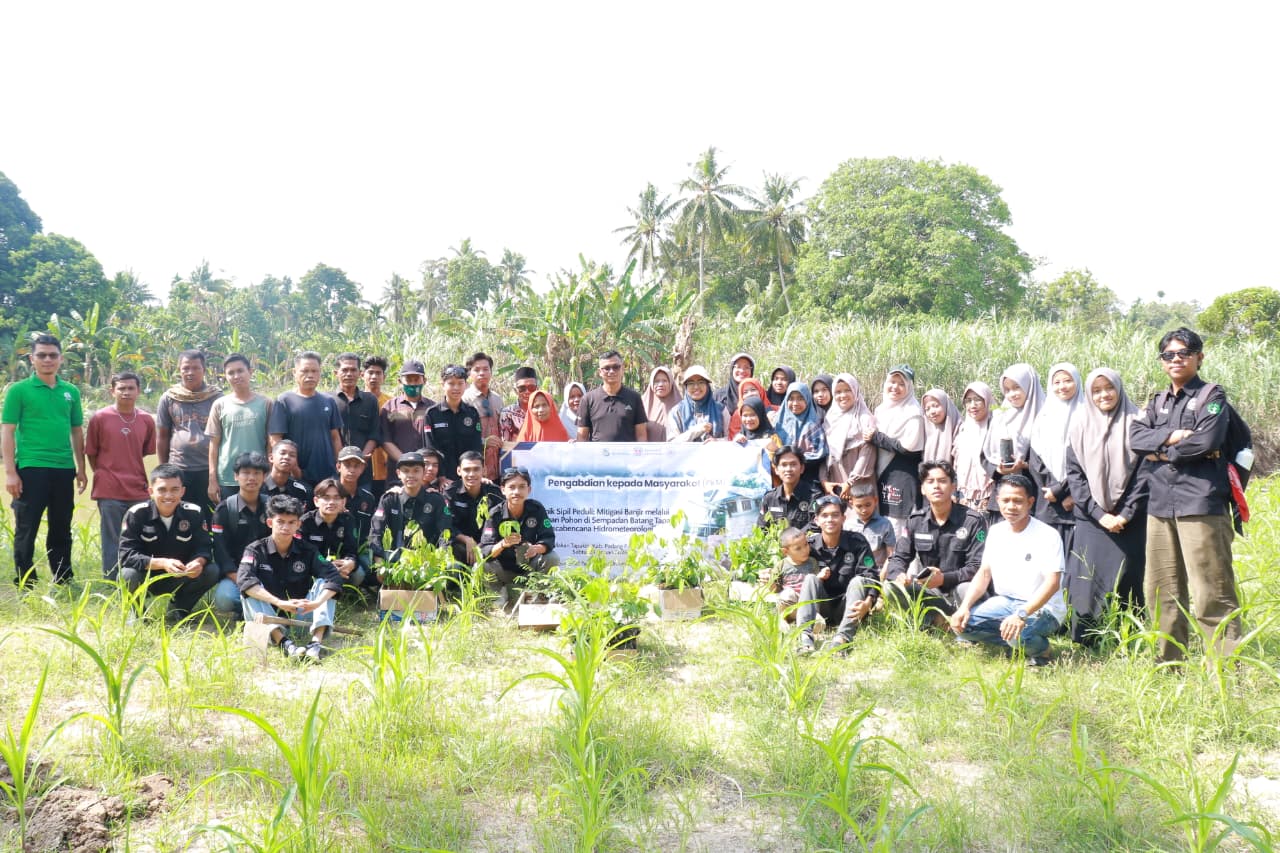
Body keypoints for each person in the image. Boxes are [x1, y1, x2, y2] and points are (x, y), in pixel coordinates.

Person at [1130, 327, 1241, 663]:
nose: (1176, 359)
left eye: (1183, 353)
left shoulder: (1212, 396)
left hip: (1200, 503)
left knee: (1212, 590)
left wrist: (1162, 451)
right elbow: (1135, 438)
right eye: (1169, 355)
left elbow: (1207, 441)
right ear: (1162, 362)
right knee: (1161, 590)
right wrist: (1176, 436)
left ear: (1199, 357)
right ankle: (1169, 664)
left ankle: (1225, 671)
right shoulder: (1156, 402)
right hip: (1161, 505)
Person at [1064, 368, 1148, 646]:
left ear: (1119, 388)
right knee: (1088, 581)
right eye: (1096, 390)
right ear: (1089, 394)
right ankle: (1086, 639)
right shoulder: (1079, 426)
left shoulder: (1138, 421)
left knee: (1130, 577)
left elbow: (1145, 474)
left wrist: (1125, 513)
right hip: (1091, 520)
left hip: (1131, 519)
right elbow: (1075, 476)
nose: (1103, 395)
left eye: (1108, 388)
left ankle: (1129, 639)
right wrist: (1099, 514)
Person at [949, 474, 1065, 666]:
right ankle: (1015, 641)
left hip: (1044, 608)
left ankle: (1041, 651)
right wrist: (964, 608)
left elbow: (1052, 584)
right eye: (1006, 500)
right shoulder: (996, 531)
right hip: (1005, 602)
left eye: (1018, 501)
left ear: (1030, 502)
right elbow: (984, 573)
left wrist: (1021, 614)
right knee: (962, 627)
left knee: (1018, 634)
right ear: (998, 501)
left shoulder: (1047, 535)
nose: (1011, 506)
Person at [3, 334, 87, 586]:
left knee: (61, 526)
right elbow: (7, 430)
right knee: (27, 527)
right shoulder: (18, 390)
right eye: (41, 355)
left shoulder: (70, 392)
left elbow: (76, 431)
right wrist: (10, 472)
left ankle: (63, 578)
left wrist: (81, 469)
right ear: (32, 359)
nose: (47, 359)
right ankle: (25, 581)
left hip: (63, 469)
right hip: (31, 468)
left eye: (52, 355)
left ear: (61, 359)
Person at [236, 494, 345, 663]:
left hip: (303, 616)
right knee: (248, 590)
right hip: (270, 618)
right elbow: (244, 580)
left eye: (291, 522)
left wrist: (315, 604)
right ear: (270, 522)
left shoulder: (308, 550)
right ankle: (286, 645)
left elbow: (334, 576)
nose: (285, 527)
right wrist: (279, 602)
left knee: (326, 584)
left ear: (298, 525)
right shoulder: (255, 550)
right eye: (280, 522)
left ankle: (315, 645)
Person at [883, 461, 987, 624]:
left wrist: (944, 578)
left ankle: (965, 628)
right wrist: (899, 575)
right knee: (891, 587)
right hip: (932, 592)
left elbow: (977, 567)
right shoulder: (915, 521)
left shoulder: (973, 520)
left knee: (965, 588)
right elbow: (898, 558)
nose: (936, 486)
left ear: (953, 486)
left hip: (961, 591)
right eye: (930, 482)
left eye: (943, 481)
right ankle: (937, 620)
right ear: (923, 489)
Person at [117, 464, 217, 619]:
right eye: (162, 490)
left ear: (182, 491)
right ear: (151, 491)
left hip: (180, 574)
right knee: (127, 575)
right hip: (145, 576)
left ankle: (178, 609)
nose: (168, 495)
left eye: (174, 489)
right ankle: (137, 615)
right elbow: (126, 554)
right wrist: (162, 563)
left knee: (212, 571)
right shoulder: (136, 514)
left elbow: (204, 546)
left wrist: (198, 562)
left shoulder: (194, 512)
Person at [86, 370, 155, 580]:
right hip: (109, 489)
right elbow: (92, 453)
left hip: (138, 489)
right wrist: (104, 473)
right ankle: (112, 579)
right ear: (112, 391)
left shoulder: (146, 420)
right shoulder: (100, 418)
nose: (126, 392)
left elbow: (143, 452)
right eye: (121, 388)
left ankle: (138, 577)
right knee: (112, 537)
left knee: (143, 536)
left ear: (138, 391)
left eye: (130, 388)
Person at [794, 495, 877, 651]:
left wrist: (869, 603)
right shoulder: (809, 546)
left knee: (858, 581)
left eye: (835, 515)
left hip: (849, 605)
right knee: (811, 578)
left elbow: (872, 574)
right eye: (824, 516)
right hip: (821, 608)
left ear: (843, 518)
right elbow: (790, 566)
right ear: (817, 520)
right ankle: (805, 639)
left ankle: (842, 639)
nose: (830, 519)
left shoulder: (857, 542)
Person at [156, 349, 220, 522]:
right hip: (180, 467)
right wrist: (164, 469)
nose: (190, 372)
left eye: (195, 368)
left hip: (210, 469)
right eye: (185, 368)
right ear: (179, 370)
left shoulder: (216, 398)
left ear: (204, 370)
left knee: (212, 516)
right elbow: (162, 436)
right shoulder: (169, 398)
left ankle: (210, 549)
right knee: (182, 516)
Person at [479, 467, 559, 605]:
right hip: (503, 568)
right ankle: (497, 594)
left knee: (552, 557)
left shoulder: (536, 509)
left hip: (528, 568)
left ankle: (537, 593)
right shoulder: (494, 514)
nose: (517, 492)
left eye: (522, 487)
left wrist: (535, 549)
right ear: (503, 490)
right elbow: (486, 550)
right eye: (512, 487)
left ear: (529, 490)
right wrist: (503, 544)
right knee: (481, 565)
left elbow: (548, 538)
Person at [267, 351, 343, 487]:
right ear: (294, 373)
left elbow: (335, 437)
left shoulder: (329, 401)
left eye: (315, 371)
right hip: (296, 475)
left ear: (320, 373)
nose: (310, 375)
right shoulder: (284, 401)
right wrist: (294, 468)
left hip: (327, 473)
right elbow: (275, 439)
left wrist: (340, 466)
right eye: (305, 371)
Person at [866, 365, 925, 537]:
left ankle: (903, 564)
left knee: (900, 529)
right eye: (892, 381)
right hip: (881, 474)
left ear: (909, 388)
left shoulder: (913, 412)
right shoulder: (881, 409)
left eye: (901, 383)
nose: (895, 387)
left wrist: (877, 438)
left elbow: (909, 447)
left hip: (902, 477)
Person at [367, 451, 454, 569]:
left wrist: (440, 558)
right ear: (398, 473)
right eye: (406, 471)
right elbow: (376, 531)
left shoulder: (436, 500)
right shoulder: (389, 499)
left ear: (423, 473)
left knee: (451, 566)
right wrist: (379, 560)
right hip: (394, 558)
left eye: (416, 471)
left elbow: (445, 533)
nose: (411, 475)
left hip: (427, 560)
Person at [209, 451, 271, 614]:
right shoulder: (224, 509)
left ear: (264, 476)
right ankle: (249, 612)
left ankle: (261, 608)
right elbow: (221, 551)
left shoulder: (272, 507)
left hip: (268, 571)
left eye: (257, 473)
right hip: (236, 573)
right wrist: (240, 579)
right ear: (236, 476)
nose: (251, 478)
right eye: (246, 473)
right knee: (225, 600)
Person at [205, 354, 272, 502]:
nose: (236, 376)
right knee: (230, 520)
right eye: (231, 373)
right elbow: (214, 445)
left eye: (240, 371)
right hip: (228, 478)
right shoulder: (219, 405)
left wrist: (270, 472)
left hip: (259, 476)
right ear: (226, 377)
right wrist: (212, 479)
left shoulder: (266, 403)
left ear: (250, 372)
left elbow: (270, 443)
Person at [1029, 363, 1083, 546]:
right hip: (1047, 500)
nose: (1062, 386)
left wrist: (1064, 491)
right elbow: (1035, 458)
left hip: (1076, 498)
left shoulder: (1087, 415)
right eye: (1057, 382)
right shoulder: (1043, 416)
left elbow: (1088, 460)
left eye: (1068, 381)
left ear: (1077, 382)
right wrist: (1051, 489)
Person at [983, 363, 1045, 519]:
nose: (1012, 394)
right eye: (1007, 390)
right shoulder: (1000, 418)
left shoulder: (1044, 417)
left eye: (1017, 387)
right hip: (1004, 496)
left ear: (1029, 386)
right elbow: (985, 456)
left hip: (1034, 497)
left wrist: (1026, 465)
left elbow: (1054, 459)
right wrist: (998, 469)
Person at [300, 477, 366, 588]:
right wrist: (326, 566)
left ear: (343, 501)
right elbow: (305, 553)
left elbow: (351, 549)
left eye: (337, 498)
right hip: (312, 568)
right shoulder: (305, 522)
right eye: (326, 498)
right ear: (316, 501)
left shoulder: (348, 520)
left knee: (358, 574)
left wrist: (350, 563)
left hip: (339, 568)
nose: (331, 502)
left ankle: (342, 592)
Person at [379, 358, 435, 483]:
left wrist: (423, 464)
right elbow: (385, 440)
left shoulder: (433, 408)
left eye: (416, 379)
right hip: (398, 473)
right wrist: (407, 461)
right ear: (400, 381)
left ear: (424, 380)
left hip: (426, 474)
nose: (413, 383)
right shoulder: (389, 407)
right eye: (408, 379)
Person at [821, 373, 876, 497]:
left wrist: (850, 482)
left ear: (855, 391)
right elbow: (824, 452)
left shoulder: (865, 418)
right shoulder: (830, 418)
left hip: (859, 483)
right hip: (834, 481)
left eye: (847, 390)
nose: (843, 395)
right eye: (838, 392)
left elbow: (867, 453)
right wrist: (824, 480)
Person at [424, 365, 484, 478]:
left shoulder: (472, 413)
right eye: (451, 383)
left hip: (468, 476)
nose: (456, 388)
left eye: (460, 383)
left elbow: (476, 446)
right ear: (442, 385)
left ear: (465, 385)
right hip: (442, 478)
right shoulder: (432, 414)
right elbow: (431, 449)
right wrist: (441, 476)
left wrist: (476, 473)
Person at [333, 352, 382, 490]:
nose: (349, 374)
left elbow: (374, 434)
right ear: (336, 373)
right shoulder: (328, 400)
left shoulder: (370, 400)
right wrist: (342, 462)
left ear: (360, 373)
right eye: (345, 370)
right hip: (335, 471)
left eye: (353, 370)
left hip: (363, 472)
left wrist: (361, 461)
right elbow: (330, 435)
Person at [445, 451, 504, 565]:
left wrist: (484, 546)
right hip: (462, 545)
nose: (471, 474)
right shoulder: (450, 493)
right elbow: (446, 525)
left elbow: (502, 521)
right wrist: (466, 539)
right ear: (459, 471)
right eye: (467, 470)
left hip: (490, 544)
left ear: (484, 470)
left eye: (476, 469)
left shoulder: (494, 492)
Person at [576, 351, 648, 442]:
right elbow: (582, 436)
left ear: (622, 369)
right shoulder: (588, 399)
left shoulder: (635, 397)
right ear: (600, 372)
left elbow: (641, 435)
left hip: (627, 456)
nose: (611, 371)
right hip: (597, 455)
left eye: (616, 367)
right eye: (606, 368)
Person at [757, 445, 823, 531]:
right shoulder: (769, 498)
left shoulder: (815, 496)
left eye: (793, 464)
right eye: (784, 465)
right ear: (776, 469)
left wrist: (791, 540)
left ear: (802, 468)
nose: (788, 469)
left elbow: (816, 525)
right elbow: (762, 528)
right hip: (776, 544)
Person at [953, 381, 996, 513]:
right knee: (965, 532)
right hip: (964, 496)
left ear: (987, 401)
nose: (972, 405)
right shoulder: (963, 429)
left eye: (978, 400)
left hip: (991, 496)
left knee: (983, 534)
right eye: (968, 400)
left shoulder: (996, 428)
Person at [463, 352, 504, 480]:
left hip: (498, 467)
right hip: (475, 470)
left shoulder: (497, 399)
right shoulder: (465, 400)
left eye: (486, 369)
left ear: (491, 372)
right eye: (477, 370)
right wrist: (483, 442)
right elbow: (461, 434)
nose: (482, 373)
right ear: (470, 374)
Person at [775, 381, 828, 480]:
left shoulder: (813, 425)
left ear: (807, 400)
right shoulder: (778, 423)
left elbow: (820, 453)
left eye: (800, 398)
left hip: (808, 479)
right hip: (780, 479)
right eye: (791, 399)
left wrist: (795, 460)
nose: (795, 403)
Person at [841, 481, 897, 570]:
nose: (864, 510)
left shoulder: (885, 524)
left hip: (877, 570)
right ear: (851, 504)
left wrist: (884, 572)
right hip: (854, 570)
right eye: (859, 506)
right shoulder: (848, 525)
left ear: (875, 501)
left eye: (868, 505)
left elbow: (891, 553)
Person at [667, 365, 729, 442]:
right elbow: (671, 444)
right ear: (686, 387)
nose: (696, 387)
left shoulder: (721, 410)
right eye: (691, 383)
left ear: (707, 385)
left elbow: (731, 439)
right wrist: (695, 431)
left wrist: (717, 442)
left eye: (701, 382)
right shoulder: (676, 412)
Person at [767, 527, 818, 619]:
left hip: (807, 602)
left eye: (806, 544)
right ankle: (784, 619)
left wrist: (821, 577)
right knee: (787, 593)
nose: (805, 550)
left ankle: (811, 620)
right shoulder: (781, 565)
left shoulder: (812, 562)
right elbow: (775, 590)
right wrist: (770, 581)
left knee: (815, 616)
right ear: (785, 551)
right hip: (789, 603)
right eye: (798, 548)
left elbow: (816, 586)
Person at [362, 355, 393, 497]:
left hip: (387, 467)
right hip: (362, 466)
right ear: (362, 375)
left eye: (378, 373)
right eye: (370, 372)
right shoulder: (356, 401)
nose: (374, 377)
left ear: (384, 377)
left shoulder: (391, 403)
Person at [335, 445, 378, 546]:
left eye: (356, 466)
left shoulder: (368, 498)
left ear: (362, 468)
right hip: (332, 552)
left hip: (361, 550)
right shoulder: (328, 496)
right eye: (347, 465)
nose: (352, 470)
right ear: (338, 467)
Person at [921, 388, 960, 468]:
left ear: (946, 405)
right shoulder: (925, 431)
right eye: (927, 409)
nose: (932, 412)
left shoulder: (960, 429)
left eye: (935, 406)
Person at [641, 366, 681, 443]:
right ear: (651, 383)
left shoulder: (682, 405)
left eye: (665, 381)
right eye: (656, 381)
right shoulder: (641, 404)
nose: (660, 384)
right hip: (648, 453)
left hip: (676, 452)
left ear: (671, 382)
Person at [499, 366, 539, 442]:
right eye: (522, 388)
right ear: (515, 390)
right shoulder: (507, 413)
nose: (527, 392)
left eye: (531, 387)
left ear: (537, 388)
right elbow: (506, 444)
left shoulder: (543, 411)